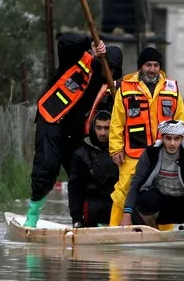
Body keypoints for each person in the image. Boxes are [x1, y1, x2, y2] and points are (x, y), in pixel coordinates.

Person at [26, 33, 124, 227]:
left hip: (75, 135)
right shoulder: (78, 60)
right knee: (47, 167)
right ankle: (33, 215)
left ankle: (82, 220)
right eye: (107, 66)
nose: (109, 71)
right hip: (52, 122)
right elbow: (63, 41)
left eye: (113, 69)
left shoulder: (111, 91)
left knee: (85, 177)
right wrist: (89, 42)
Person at [108, 46, 184, 227]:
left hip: (164, 153)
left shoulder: (172, 89)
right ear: (140, 67)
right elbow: (117, 122)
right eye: (148, 65)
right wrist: (115, 149)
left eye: (156, 65)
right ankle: (114, 229)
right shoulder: (126, 88)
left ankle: (163, 234)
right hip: (133, 154)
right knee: (123, 192)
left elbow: (182, 122)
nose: (152, 69)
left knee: (165, 192)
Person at [121, 119, 184, 229]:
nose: (172, 143)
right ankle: (153, 231)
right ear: (162, 138)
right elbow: (136, 183)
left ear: (182, 139)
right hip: (162, 204)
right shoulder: (150, 154)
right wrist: (127, 214)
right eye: (168, 138)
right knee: (143, 203)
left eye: (176, 139)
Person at [67, 110, 118, 228]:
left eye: (107, 128)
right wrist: (76, 218)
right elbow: (75, 189)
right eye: (99, 128)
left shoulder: (122, 152)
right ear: (92, 128)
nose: (102, 133)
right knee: (91, 208)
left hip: (116, 202)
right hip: (93, 203)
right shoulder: (80, 154)